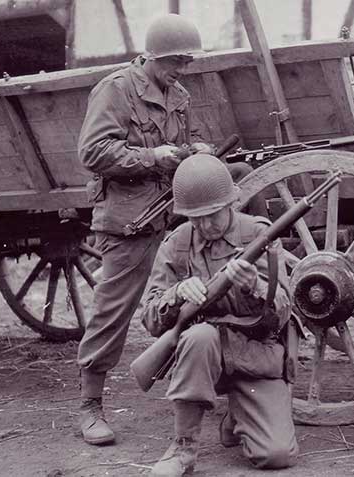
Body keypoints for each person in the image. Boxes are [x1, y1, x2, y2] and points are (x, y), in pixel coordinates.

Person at [75, 13, 258, 445]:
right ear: (154, 56)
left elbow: (184, 138)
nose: (182, 69)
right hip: (128, 218)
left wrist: (194, 150)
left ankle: (229, 399)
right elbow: (93, 152)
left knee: (211, 294)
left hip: (174, 214)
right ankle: (89, 405)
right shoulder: (116, 89)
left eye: (186, 61)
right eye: (176, 60)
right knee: (112, 309)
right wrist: (154, 156)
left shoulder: (178, 93)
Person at [140, 154, 297, 476]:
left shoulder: (258, 235)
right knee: (199, 335)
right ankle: (183, 448)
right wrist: (178, 293)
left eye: (212, 215)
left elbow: (283, 313)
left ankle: (238, 416)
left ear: (231, 203)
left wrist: (256, 286)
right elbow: (151, 319)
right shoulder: (177, 245)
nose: (204, 225)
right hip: (202, 358)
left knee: (276, 456)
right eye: (195, 218)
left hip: (254, 356)